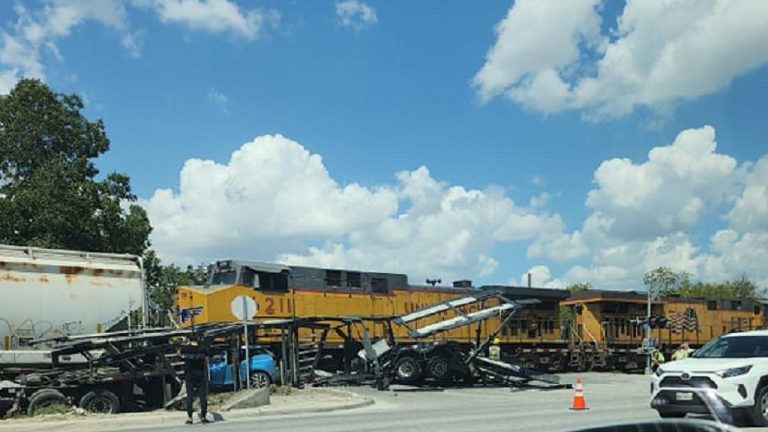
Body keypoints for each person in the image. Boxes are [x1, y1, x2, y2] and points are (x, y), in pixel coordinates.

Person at [181, 333, 210, 425]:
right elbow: (206, 361)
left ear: (189, 339)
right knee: (203, 396)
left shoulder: (185, 349)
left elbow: (180, 355)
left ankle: (190, 418)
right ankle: (203, 416)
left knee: (190, 396)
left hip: (189, 375)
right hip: (200, 375)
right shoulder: (203, 349)